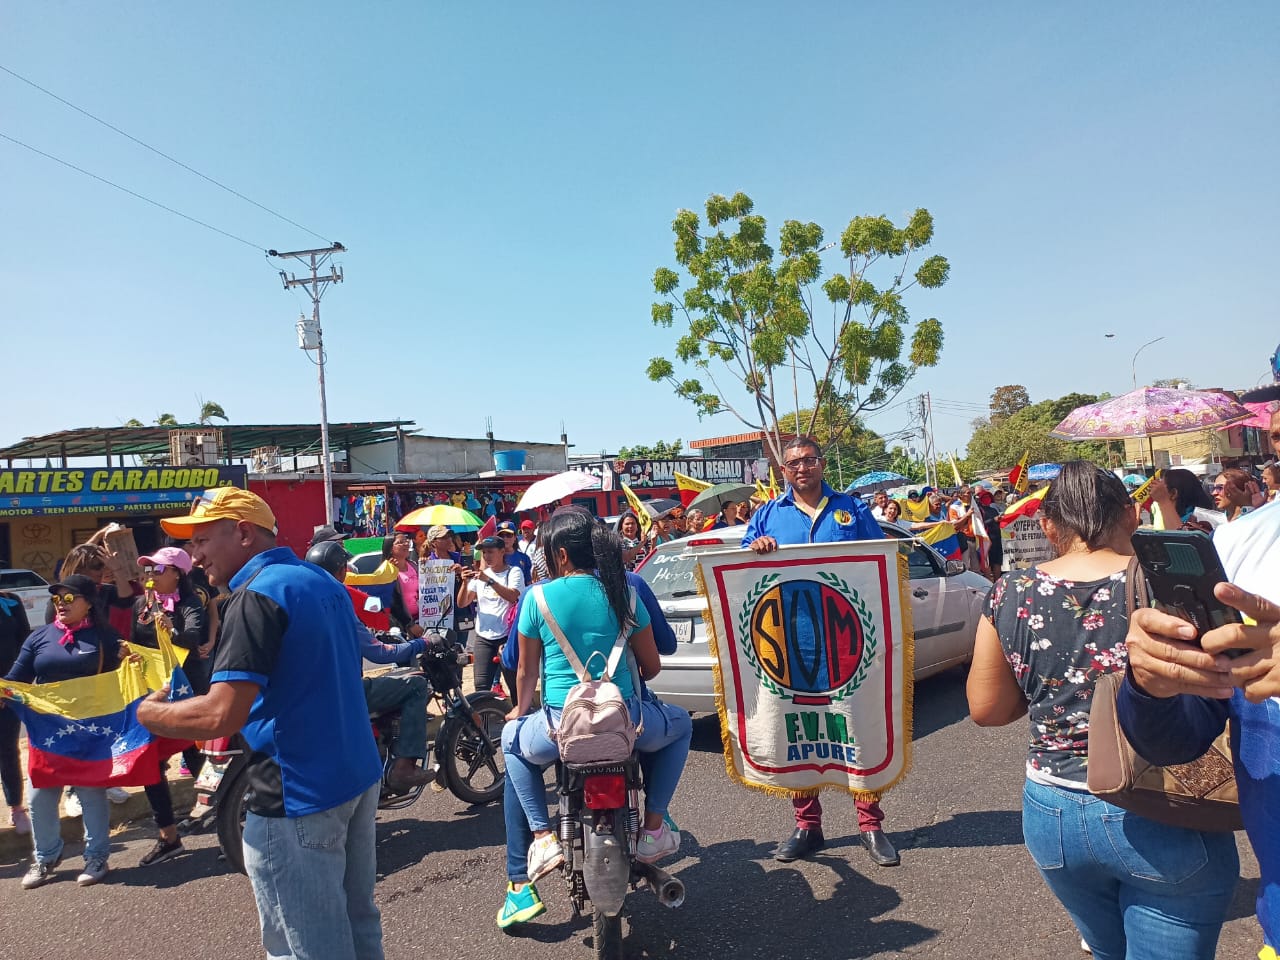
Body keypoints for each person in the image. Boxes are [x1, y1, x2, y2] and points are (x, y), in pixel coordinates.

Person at [967, 462, 1238, 958]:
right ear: (1132, 516)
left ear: (1047, 525)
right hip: (1162, 801)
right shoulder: (1163, 585)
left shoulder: (1008, 591)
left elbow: (987, 708)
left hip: (1054, 810)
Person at [136, 488, 384, 960]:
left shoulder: (254, 598)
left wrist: (149, 715)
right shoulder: (318, 579)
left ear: (244, 533)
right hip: (355, 775)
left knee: (307, 945)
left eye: (203, 539)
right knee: (358, 924)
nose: (195, 555)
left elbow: (221, 714)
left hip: (297, 793)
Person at [496, 508, 691, 929]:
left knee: (511, 742)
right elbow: (653, 666)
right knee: (682, 725)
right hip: (627, 723)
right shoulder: (627, 590)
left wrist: (518, 709)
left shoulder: (537, 597)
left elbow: (525, 671)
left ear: (562, 555)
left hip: (560, 728)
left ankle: (543, 838)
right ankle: (654, 825)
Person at [740, 436, 899, 867]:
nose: (802, 468)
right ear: (783, 471)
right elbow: (741, 577)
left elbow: (876, 563)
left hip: (848, 645)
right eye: (793, 463)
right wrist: (755, 551)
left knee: (856, 729)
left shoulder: (854, 510)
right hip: (790, 646)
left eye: (809, 460)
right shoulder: (768, 516)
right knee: (799, 732)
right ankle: (806, 824)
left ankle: (870, 825)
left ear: (822, 464)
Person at [7, 574, 123, 889]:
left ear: (88, 603)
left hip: (89, 732)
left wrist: (134, 661)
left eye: (69, 598)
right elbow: (17, 678)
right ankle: (46, 857)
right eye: (57, 598)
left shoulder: (106, 638)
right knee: (40, 796)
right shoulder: (39, 637)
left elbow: (127, 675)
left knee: (90, 793)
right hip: (47, 734)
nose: (61, 604)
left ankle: (97, 857)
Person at [305, 540, 432, 792]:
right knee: (416, 683)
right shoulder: (337, 600)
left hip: (312, 693)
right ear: (341, 570)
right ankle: (404, 767)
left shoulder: (301, 599)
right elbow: (379, 652)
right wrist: (422, 644)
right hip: (345, 691)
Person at [130, 547, 209, 867]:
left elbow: (192, 637)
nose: (151, 576)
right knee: (152, 765)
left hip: (187, 694)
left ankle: (230, 823)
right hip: (155, 696)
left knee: (201, 762)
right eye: (148, 571)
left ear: (178, 573)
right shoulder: (141, 604)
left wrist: (169, 627)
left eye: (158, 570)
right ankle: (168, 837)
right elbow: (138, 641)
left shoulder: (190, 602)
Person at [458, 536, 525, 696]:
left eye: (490, 552)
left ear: (502, 552)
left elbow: (513, 596)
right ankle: (485, 718)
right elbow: (463, 603)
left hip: (507, 637)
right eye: (484, 552)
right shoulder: (480, 575)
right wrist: (465, 582)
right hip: (483, 637)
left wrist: (489, 580)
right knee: (481, 688)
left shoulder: (513, 572)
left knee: (516, 687)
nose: (487, 556)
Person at [0, 588, 32, 836]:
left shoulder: (11, 602)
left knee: (8, 748)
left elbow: (24, 646)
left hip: (7, 691)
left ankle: (16, 807)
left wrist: (11, 686)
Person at [1147, 467, 1215, 531]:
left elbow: (1178, 538)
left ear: (1174, 493)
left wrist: (1163, 501)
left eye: (1162, 489)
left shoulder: (1198, 521)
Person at [384, 532, 419, 624]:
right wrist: (409, 624)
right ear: (391, 549)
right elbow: (392, 603)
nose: (406, 544)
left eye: (406, 541)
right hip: (402, 623)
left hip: (420, 618)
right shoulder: (386, 571)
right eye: (400, 542)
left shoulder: (414, 566)